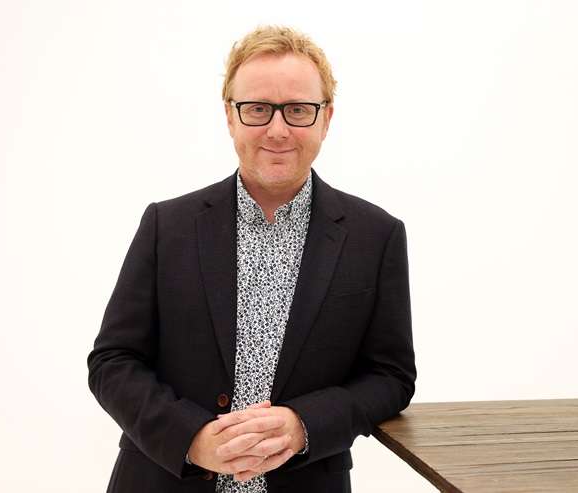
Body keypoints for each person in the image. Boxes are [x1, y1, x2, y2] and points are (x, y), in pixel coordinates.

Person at [87, 25, 416, 493]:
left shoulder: (377, 235)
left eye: (299, 110)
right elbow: (112, 361)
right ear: (230, 116)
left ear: (326, 118)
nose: (278, 130)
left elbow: (391, 377)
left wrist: (306, 424)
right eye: (258, 109)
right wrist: (192, 439)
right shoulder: (167, 225)